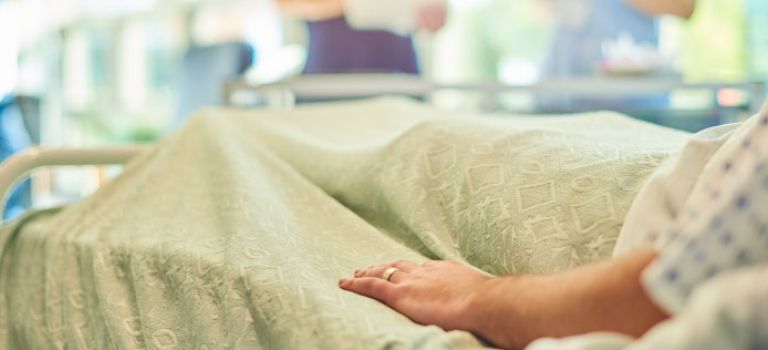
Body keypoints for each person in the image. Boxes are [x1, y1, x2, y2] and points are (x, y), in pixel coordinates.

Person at [339, 102, 768, 349]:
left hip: (618, 201)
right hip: (658, 162)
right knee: (435, 137)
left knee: (430, 144)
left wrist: (476, 296)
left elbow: (656, 295)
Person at [276, 0, 446, 74]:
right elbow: (284, 3)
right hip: (331, 73)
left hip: (396, 74)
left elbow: (437, 18)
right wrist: (355, 5)